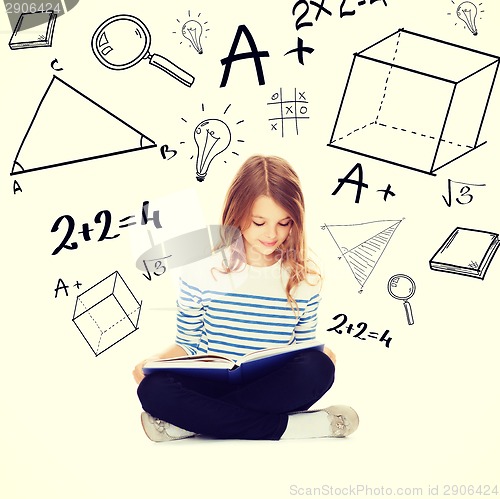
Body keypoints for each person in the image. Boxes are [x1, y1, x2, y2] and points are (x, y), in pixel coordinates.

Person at [133, 155, 359, 441]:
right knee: (153, 389)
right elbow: (187, 343)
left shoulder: (304, 279)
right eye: (259, 222)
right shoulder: (201, 269)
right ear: (237, 213)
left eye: (284, 223)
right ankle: (293, 428)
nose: (272, 234)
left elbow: (302, 351)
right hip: (210, 385)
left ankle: (188, 424)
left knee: (320, 367)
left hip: (268, 390)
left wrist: (320, 356)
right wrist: (153, 362)